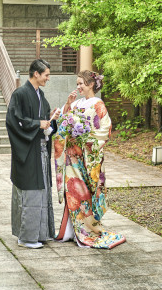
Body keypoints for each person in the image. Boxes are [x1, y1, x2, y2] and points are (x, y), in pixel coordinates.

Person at [54, 70, 126, 249]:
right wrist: (68, 105)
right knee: (73, 192)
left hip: (87, 155)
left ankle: (87, 229)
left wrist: (86, 139)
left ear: (91, 84)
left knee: (86, 192)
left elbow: (105, 129)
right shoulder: (77, 102)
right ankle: (72, 231)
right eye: (77, 84)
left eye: (81, 84)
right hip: (72, 156)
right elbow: (64, 122)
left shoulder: (98, 104)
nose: (78, 87)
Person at [6, 59, 60, 249]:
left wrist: (51, 120)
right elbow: (14, 120)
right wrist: (38, 123)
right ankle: (26, 237)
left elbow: (45, 121)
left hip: (41, 151)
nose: (47, 78)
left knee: (42, 191)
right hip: (28, 151)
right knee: (30, 193)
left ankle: (40, 234)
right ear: (36, 74)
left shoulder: (40, 94)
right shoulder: (20, 94)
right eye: (46, 75)